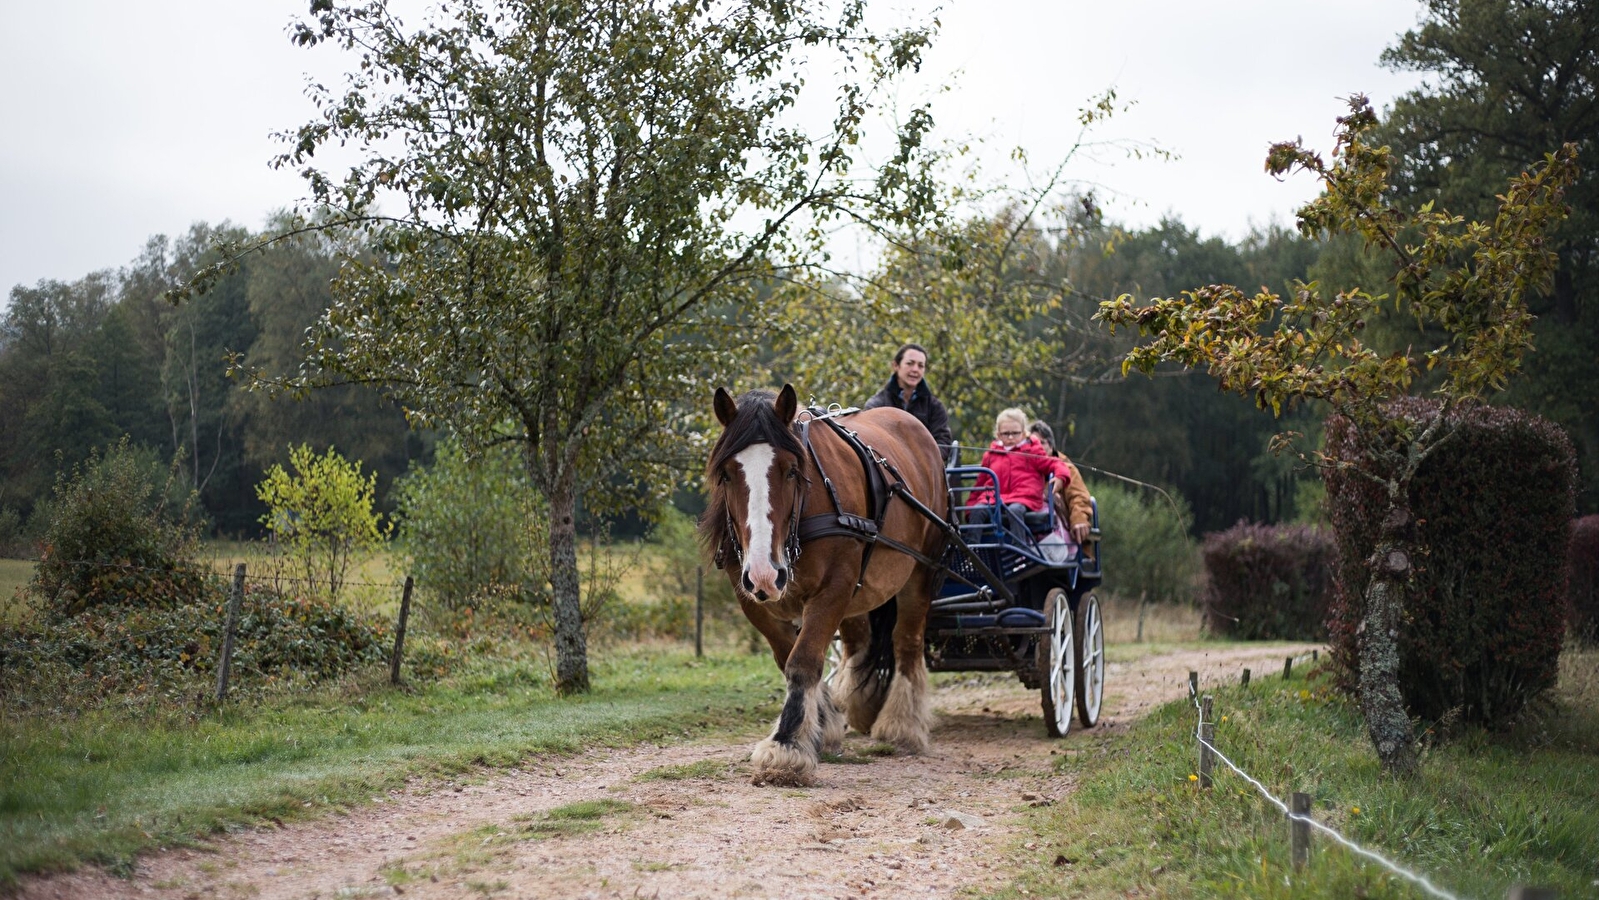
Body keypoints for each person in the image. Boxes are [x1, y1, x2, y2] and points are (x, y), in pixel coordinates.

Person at [970, 408, 1072, 536]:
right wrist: (970, 507)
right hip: (994, 498)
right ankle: (972, 549)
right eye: (1006, 434)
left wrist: (1060, 477)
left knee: (1014, 510)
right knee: (977, 511)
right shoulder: (990, 455)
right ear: (998, 434)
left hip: (1023, 497)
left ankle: (1019, 547)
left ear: (1024, 433)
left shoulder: (1032, 451)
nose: (1011, 437)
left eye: (1015, 433)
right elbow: (980, 484)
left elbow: (1055, 463)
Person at [863, 342, 953, 448]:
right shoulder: (876, 405)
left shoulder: (935, 407)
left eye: (920, 366)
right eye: (910, 363)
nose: (915, 369)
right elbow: (870, 442)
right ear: (896, 365)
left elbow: (943, 443)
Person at [1029, 420, 1093, 545]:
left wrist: (1079, 519)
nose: (1037, 447)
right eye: (1032, 443)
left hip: (1061, 534)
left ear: (1051, 446)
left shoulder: (1065, 467)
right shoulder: (1024, 467)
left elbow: (1079, 496)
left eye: (1041, 443)